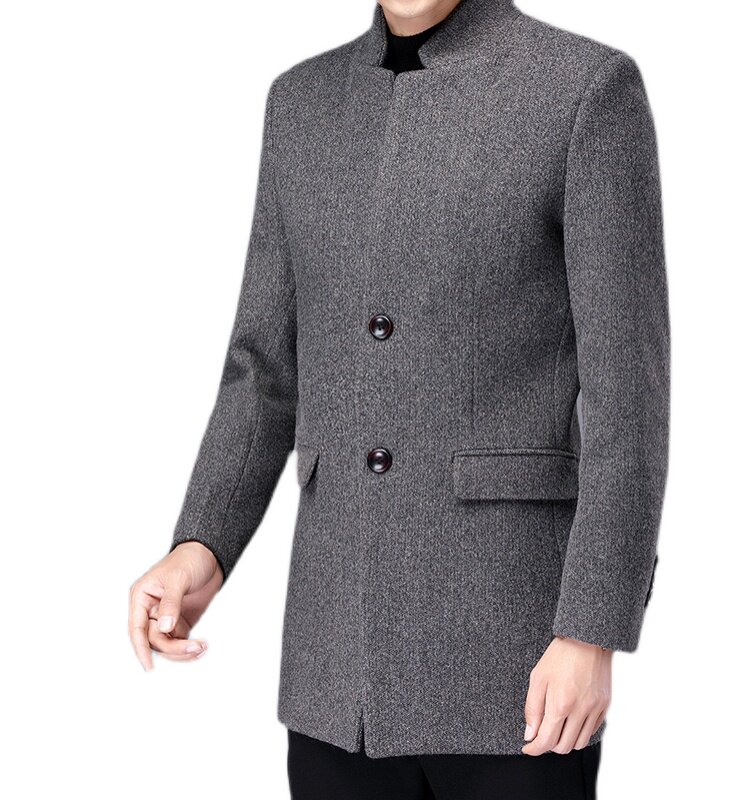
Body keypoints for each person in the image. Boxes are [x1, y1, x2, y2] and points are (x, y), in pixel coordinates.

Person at [128, 0, 670, 796]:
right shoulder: (300, 104)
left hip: (519, 664)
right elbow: (264, 368)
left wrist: (592, 629)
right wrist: (200, 545)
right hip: (334, 663)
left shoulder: (584, 90)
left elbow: (631, 401)